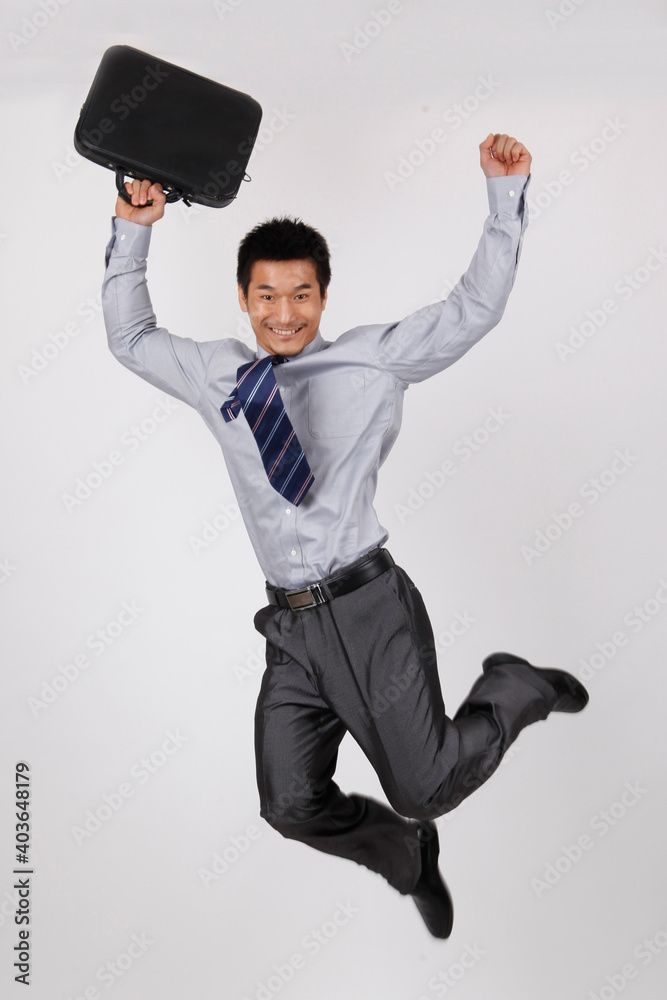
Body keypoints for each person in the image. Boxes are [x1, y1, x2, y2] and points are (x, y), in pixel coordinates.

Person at [101, 132, 588, 940]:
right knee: (287, 802)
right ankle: (405, 858)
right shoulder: (219, 373)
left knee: (424, 787)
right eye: (265, 296)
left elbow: (474, 309)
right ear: (243, 298)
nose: (282, 314)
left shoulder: (373, 362)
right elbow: (131, 337)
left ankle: (516, 686)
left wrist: (503, 198)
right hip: (290, 625)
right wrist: (135, 220)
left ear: (322, 298)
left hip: (368, 608)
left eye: (299, 296)